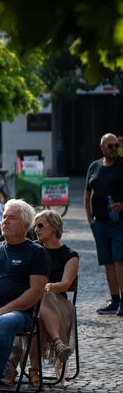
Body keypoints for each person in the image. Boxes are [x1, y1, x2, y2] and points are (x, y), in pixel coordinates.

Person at [0, 200, 49, 393]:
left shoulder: (36, 252)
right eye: (4, 216)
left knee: (5, 322)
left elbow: (36, 292)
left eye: (11, 218)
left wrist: (4, 310)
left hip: (20, 313)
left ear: (25, 226)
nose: (5, 221)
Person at [31, 210, 78, 383]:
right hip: (34, 303)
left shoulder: (70, 255)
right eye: (34, 226)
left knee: (43, 295)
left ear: (54, 227)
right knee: (39, 316)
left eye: (41, 225)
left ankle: (30, 370)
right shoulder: (33, 249)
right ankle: (58, 344)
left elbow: (66, 284)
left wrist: (50, 286)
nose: (36, 229)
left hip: (59, 302)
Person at [87, 133, 123, 315]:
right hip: (99, 223)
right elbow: (87, 193)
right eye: (111, 146)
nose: (114, 149)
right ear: (102, 147)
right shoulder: (94, 167)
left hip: (119, 222)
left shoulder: (122, 165)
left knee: (119, 260)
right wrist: (89, 219)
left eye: (116, 146)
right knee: (107, 261)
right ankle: (115, 299)